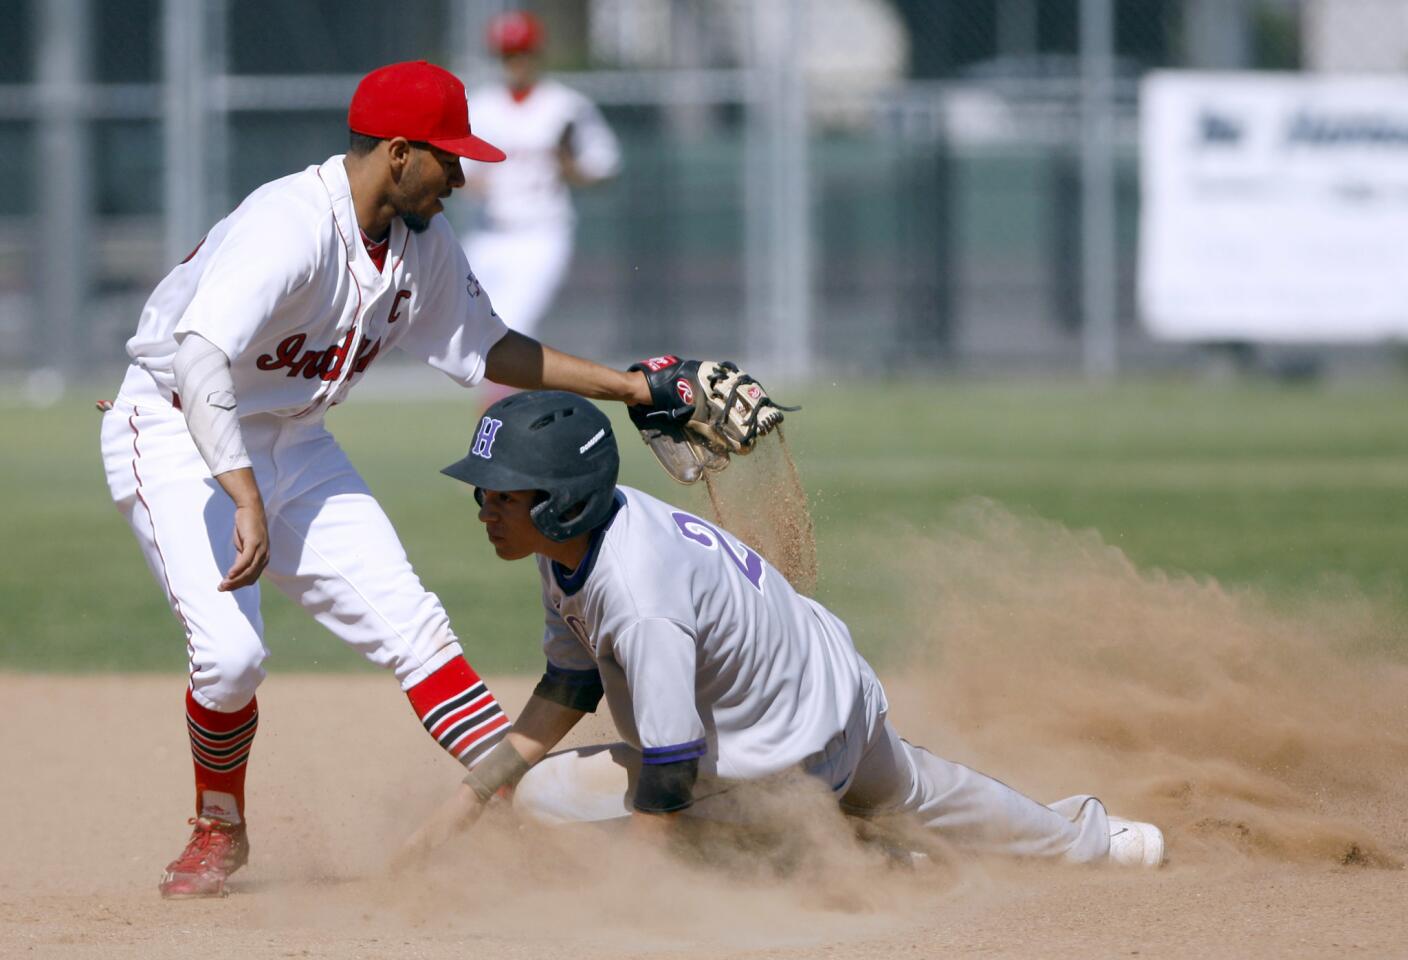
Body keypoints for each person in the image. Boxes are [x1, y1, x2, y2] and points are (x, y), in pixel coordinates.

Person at [99, 60, 728, 899]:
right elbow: (201, 351)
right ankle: (219, 826)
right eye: (450, 158)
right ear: (398, 153)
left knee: (417, 628)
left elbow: (490, 349)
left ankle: (505, 813)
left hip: (295, 436)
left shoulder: (418, 244)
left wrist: (629, 386)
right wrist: (241, 492)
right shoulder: (290, 226)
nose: (463, 179)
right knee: (231, 656)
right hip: (179, 428)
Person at [397, 391, 1167, 870]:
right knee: (919, 790)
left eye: (502, 494)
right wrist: (463, 802)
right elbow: (567, 686)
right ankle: (1094, 845)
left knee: (561, 811)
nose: (484, 509)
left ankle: (829, 856)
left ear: (561, 498)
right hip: (840, 699)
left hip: (787, 767)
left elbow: (666, 773)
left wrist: (637, 901)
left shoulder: (637, 595)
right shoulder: (592, 531)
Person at [460, 10, 621, 345]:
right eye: (509, 54)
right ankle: (504, 395)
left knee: (513, 323)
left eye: (522, 53)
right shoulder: (481, 106)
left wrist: (569, 167)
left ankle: (499, 398)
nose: (516, 62)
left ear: (536, 54)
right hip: (487, 231)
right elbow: (459, 173)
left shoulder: (566, 106)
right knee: (471, 323)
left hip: (542, 232)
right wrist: (473, 181)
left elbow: (605, 165)